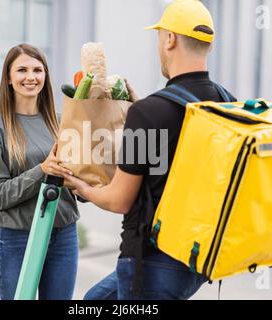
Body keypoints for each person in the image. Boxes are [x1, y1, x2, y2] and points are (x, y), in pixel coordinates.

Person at [64, 0, 236, 300]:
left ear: (170, 39)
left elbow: (119, 200)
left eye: (159, 37)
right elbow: (183, 142)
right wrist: (140, 107)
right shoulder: (226, 102)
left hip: (151, 263)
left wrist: (76, 183)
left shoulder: (149, 113)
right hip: (198, 258)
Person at [0, 43, 79, 300]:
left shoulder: (62, 121)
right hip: (19, 239)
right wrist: (43, 170)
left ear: (45, 75)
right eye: (21, 70)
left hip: (64, 236)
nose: (31, 77)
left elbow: (80, 185)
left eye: (37, 69)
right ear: (9, 79)